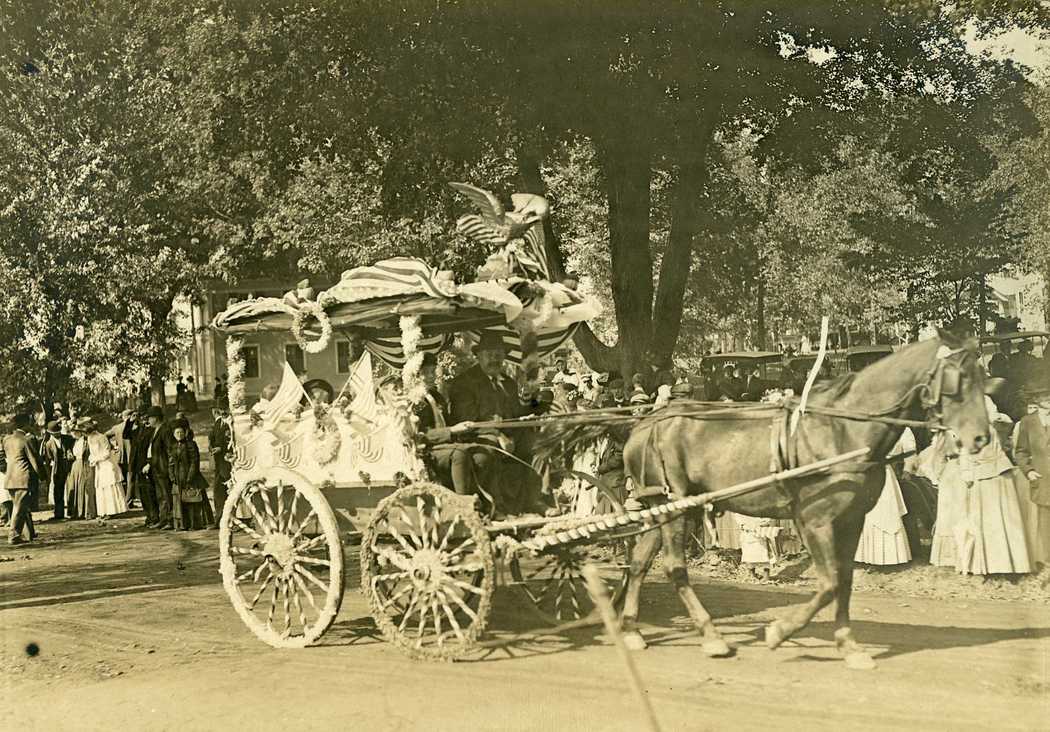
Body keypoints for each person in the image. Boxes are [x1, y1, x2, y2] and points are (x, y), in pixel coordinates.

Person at [426, 331, 529, 515]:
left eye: (498, 354)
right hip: (474, 436)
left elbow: (516, 414)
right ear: (478, 356)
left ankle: (537, 500)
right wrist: (499, 436)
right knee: (488, 452)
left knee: (535, 442)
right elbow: (466, 421)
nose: (494, 359)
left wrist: (525, 419)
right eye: (489, 354)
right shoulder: (464, 383)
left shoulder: (510, 383)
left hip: (507, 436)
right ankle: (495, 507)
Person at [854, 429, 914, 566]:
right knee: (867, 513)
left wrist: (907, 470)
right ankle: (865, 556)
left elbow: (910, 452)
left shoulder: (903, 430)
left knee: (886, 511)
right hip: (866, 472)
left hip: (885, 473)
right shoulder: (868, 426)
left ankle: (889, 557)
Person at [1013, 387, 1050, 568]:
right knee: (1046, 518)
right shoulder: (1027, 422)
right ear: (1036, 398)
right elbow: (1020, 451)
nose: (1048, 399)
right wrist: (1029, 471)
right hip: (1043, 478)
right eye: (1044, 396)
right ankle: (1048, 558)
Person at [2, 414, 40, 544]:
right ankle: (13, 535)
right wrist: (40, 476)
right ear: (25, 424)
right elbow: (33, 460)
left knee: (21, 506)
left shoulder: (6, 440)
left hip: (10, 477)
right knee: (19, 507)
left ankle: (29, 534)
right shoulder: (25, 440)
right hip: (23, 477)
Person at [169, 418, 210, 531]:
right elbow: (171, 463)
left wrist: (190, 477)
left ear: (185, 433)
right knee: (180, 500)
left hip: (190, 476)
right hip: (178, 476)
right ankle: (183, 524)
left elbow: (194, 461)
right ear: (173, 434)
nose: (179, 434)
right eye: (177, 433)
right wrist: (172, 476)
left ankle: (194, 524)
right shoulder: (173, 446)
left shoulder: (191, 445)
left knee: (192, 500)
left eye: (181, 432)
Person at [85, 418, 126, 521]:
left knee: (108, 487)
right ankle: (103, 511)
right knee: (101, 487)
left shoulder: (101, 437)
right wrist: (92, 459)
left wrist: (97, 459)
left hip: (106, 465)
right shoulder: (89, 439)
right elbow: (92, 453)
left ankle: (112, 511)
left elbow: (107, 452)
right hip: (99, 466)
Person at [142, 406, 174, 530]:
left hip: (163, 468)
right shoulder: (155, 430)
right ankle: (163, 518)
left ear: (156, 418)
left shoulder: (165, 430)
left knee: (166, 494)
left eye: (149, 418)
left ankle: (170, 520)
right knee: (160, 495)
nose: (148, 420)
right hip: (156, 467)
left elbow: (169, 450)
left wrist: (169, 467)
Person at [39, 420, 73, 522]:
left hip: (69, 467)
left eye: (58, 432)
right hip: (57, 469)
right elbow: (48, 459)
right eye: (55, 433)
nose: (57, 434)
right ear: (51, 433)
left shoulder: (68, 439)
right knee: (58, 490)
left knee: (71, 489)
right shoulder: (48, 444)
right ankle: (59, 513)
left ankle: (73, 511)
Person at [65, 419, 97, 520]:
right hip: (76, 465)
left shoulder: (86, 442)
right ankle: (76, 511)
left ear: (80, 432)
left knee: (84, 487)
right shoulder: (75, 442)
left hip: (84, 465)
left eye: (74, 432)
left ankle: (85, 511)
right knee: (74, 487)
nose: (73, 434)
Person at [208, 406, 233, 528]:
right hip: (219, 463)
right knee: (218, 492)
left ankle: (234, 521)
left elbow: (235, 441)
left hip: (230, 463)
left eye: (225, 411)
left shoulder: (233, 423)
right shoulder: (218, 423)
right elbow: (211, 438)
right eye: (219, 411)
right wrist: (211, 447)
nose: (222, 413)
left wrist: (222, 448)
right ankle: (220, 520)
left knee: (232, 492)